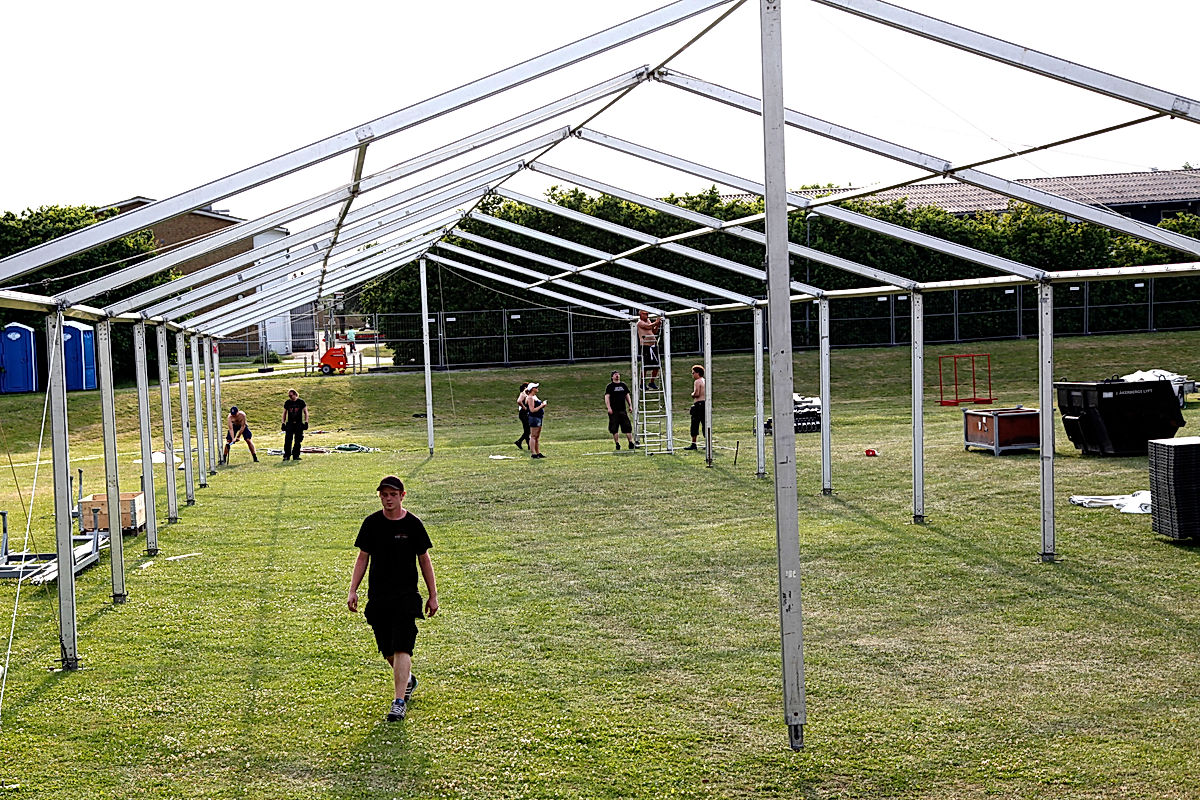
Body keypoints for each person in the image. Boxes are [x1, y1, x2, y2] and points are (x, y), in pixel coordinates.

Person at [348, 476, 438, 723]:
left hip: (406, 596)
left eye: (392, 495)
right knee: (387, 648)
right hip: (378, 596)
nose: (388, 499)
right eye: (384, 495)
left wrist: (433, 595)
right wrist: (353, 589)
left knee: (402, 645)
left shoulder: (413, 524)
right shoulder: (371, 524)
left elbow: (424, 560)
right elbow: (362, 558)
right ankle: (408, 680)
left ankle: (398, 702)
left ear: (402, 496)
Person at [604, 370, 637, 451]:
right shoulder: (610, 386)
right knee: (614, 428)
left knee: (627, 426)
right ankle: (617, 444)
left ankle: (630, 442)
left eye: (618, 374)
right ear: (612, 377)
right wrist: (609, 408)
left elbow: (627, 395)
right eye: (615, 375)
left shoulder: (623, 385)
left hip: (623, 410)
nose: (617, 376)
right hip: (614, 411)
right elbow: (607, 397)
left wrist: (630, 405)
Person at [637, 310, 664, 389]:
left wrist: (657, 325)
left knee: (656, 366)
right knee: (645, 366)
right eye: (645, 314)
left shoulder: (648, 321)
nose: (647, 316)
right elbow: (648, 327)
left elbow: (653, 330)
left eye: (647, 314)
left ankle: (651, 382)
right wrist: (656, 322)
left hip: (653, 346)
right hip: (645, 346)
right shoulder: (640, 322)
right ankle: (642, 384)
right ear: (640, 314)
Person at [281, 388, 309, 461]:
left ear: (295, 394)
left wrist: (306, 422)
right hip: (290, 424)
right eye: (289, 396)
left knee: (298, 440)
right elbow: (284, 413)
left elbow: (306, 412)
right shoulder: (287, 403)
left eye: (291, 395)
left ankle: (296, 455)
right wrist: (283, 423)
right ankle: (287, 455)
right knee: (288, 440)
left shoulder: (301, 402)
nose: (290, 397)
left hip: (298, 424)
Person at [684, 365, 706, 450]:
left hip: (698, 405)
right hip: (705, 404)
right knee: (705, 423)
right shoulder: (704, 381)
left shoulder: (697, 381)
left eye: (693, 373)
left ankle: (693, 444)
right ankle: (707, 443)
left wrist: (692, 394)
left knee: (695, 424)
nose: (692, 375)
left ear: (697, 373)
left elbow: (697, 394)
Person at [525, 382, 547, 459]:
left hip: (539, 417)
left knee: (537, 436)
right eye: (535, 387)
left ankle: (538, 452)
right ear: (532, 389)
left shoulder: (535, 397)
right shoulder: (530, 397)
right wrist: (541, 406)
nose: (537, 388)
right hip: (534, 418)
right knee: (533, 436)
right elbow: (532, 410)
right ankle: (533, 453)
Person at [514, 382, 531, 450]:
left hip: (525, 413)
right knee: (527, 430)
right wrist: (524, 407)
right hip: (523, 413)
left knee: (527, 429)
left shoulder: (526, 394)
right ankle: (519, 441)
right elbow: (519, 401)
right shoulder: (523, 394)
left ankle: (529, 445)